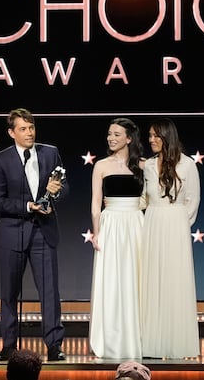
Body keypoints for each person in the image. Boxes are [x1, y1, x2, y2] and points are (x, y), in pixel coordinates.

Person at [0, 108, 68, 362]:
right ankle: (9, 345)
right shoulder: (0, 160)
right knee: (9, 293)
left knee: (50, 292)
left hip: (43, 233)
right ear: (11, 132)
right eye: (23, 129)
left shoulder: (50, 152)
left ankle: (55, 345)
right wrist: (26, 207)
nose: (29, 132)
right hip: (13, 234)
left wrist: (56, 192)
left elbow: (65, 187)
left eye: (31, 127)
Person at [139, 117, 201, 358]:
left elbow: (193, 200)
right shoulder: (148, 165)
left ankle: (177, 343)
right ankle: (152, 344)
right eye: (150, 136)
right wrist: (121, 204)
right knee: (152, 280)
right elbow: (145, 198)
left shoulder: (187, 165)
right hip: (152, 224)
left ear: (167, 137)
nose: (151, 140)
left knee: (175, 281)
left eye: (156, 136)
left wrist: (179, 224)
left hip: (175, 225)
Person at [88, 118, 145, 359]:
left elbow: (151, 198)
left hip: (136, 225)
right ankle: (110, 340)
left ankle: (139, 338)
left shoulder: (144, 165)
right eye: (109, 134)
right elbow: (95, 203)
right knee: (111, 280)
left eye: (117, 134)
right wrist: (97, 231)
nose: (111, 138)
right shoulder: (101, 165)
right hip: (110, 225)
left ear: (129, 138)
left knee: (136, 280)